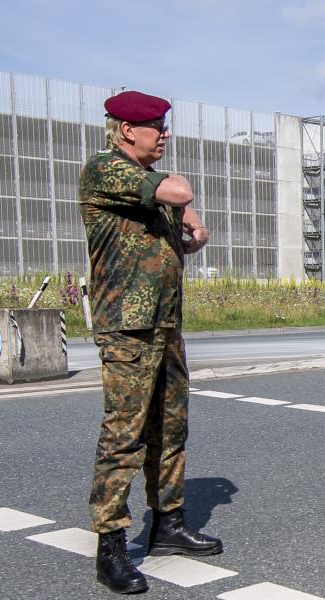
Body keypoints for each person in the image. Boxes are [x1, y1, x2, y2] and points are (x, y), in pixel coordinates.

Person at [80, 90, 220, 595]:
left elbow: (182, 213)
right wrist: (184, 205)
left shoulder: (142, 182)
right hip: (127, 327)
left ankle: (168, 524)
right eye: (156, 127)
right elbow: (179, 192)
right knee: (124, 435)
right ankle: (110, 546)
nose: (164, 134)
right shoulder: (106, 170)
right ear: (125, 130)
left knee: (170, 427)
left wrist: (194, 231)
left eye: (164, 125)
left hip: (164, 323)